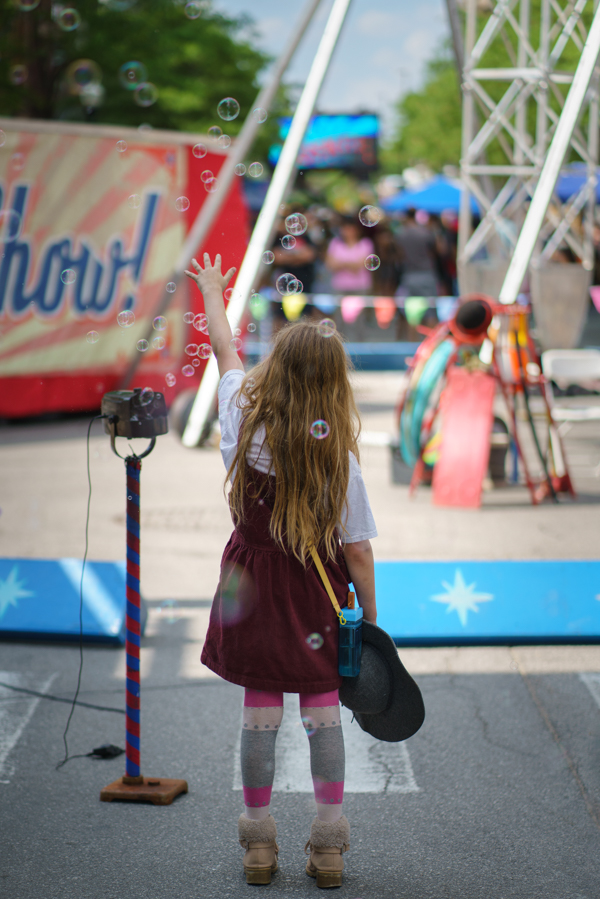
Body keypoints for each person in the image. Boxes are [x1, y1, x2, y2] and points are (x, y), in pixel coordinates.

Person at [185, 254, 378, 889]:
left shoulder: (243, 413)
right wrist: (370, 621)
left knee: (259, 714)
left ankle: (258, 846)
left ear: (278, 368)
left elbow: (222, 348)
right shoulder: (338, 458)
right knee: (323, 715)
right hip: (313, 594)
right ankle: (327, 847)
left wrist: (213, 291)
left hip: (253, 586)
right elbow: (356, 550)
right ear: (333, 384)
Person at [325, 215, 375, 294]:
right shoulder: (335, 242)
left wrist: (342, 263)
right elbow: (330, 264)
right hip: (340, 286)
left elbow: (362, 264)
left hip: (360, 286)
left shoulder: (365, 243)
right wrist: (352, 264)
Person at [396, 207, 439, 297]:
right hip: (427, 273)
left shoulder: (401, 234)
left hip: (409, 273)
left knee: (411, 307)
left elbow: (399, 255)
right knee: (430, 305)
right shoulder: (426, 232)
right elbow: (437, 251)